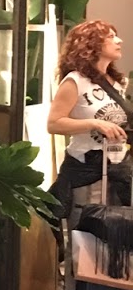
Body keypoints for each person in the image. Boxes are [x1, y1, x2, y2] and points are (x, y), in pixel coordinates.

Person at [46, 19, 133, 216]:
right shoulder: (75, 81)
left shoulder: (118, 83)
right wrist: (94, 123)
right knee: (87, 225)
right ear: (92, 44)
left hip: (118, 167)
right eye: (111, 37)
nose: (119, 41)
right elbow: (54, 123)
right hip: (86, 168)